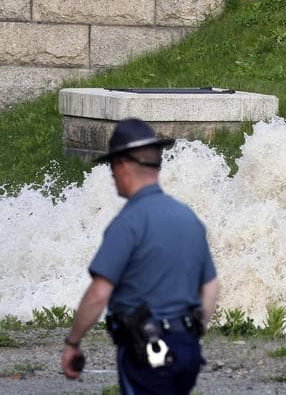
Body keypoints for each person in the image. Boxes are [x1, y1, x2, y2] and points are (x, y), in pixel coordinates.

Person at [60, 118, 220, 394]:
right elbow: (211, 286)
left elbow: (99, 294)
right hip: (187, 350)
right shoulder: (188, 217)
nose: (112, 176)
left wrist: (73, 343)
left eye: (111, 168)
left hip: (148, 351)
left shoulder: (128, 222)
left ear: (122, 167)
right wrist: (189, 336)